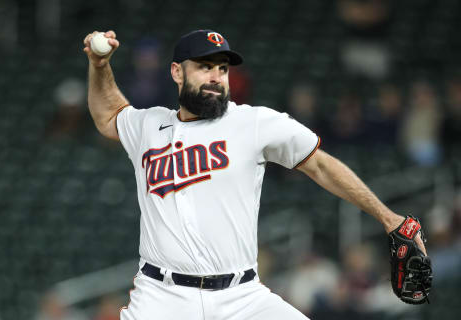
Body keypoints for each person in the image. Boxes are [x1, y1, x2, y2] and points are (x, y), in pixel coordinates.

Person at [83, 29, 428, 320]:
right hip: (162, 298)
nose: (216, 76)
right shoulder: (148, 125)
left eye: (222, 68)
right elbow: (108, 114)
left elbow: (321, 165)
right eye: (204, 67)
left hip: (242, 299)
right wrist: (99, 66)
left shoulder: (254, 122)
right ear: (176, 72)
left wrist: (389, 218)